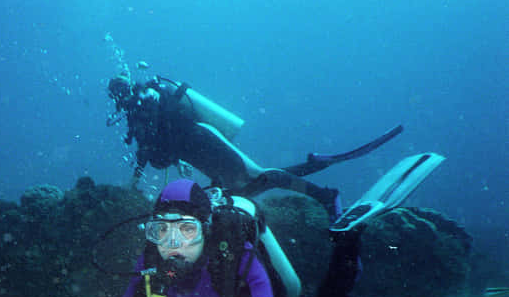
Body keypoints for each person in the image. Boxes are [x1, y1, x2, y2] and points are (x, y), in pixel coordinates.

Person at [51, 152, 444, 297]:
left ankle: (346, 238)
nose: (172, 244)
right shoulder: (151, 263)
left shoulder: (236, 258)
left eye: (186, 230)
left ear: (206, 229)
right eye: (161, 230)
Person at [107, 74, 403, 224]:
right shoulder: (141, 110)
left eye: (117, 94)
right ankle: (315, 170)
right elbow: (152, 152)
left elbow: (148, 153)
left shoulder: (144, 103)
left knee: (259, 176)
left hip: (203, 140)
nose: (118, 100)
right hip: (198, 151)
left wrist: (132, 185)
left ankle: (326, 195)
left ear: (123, 92)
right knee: (238, 192)